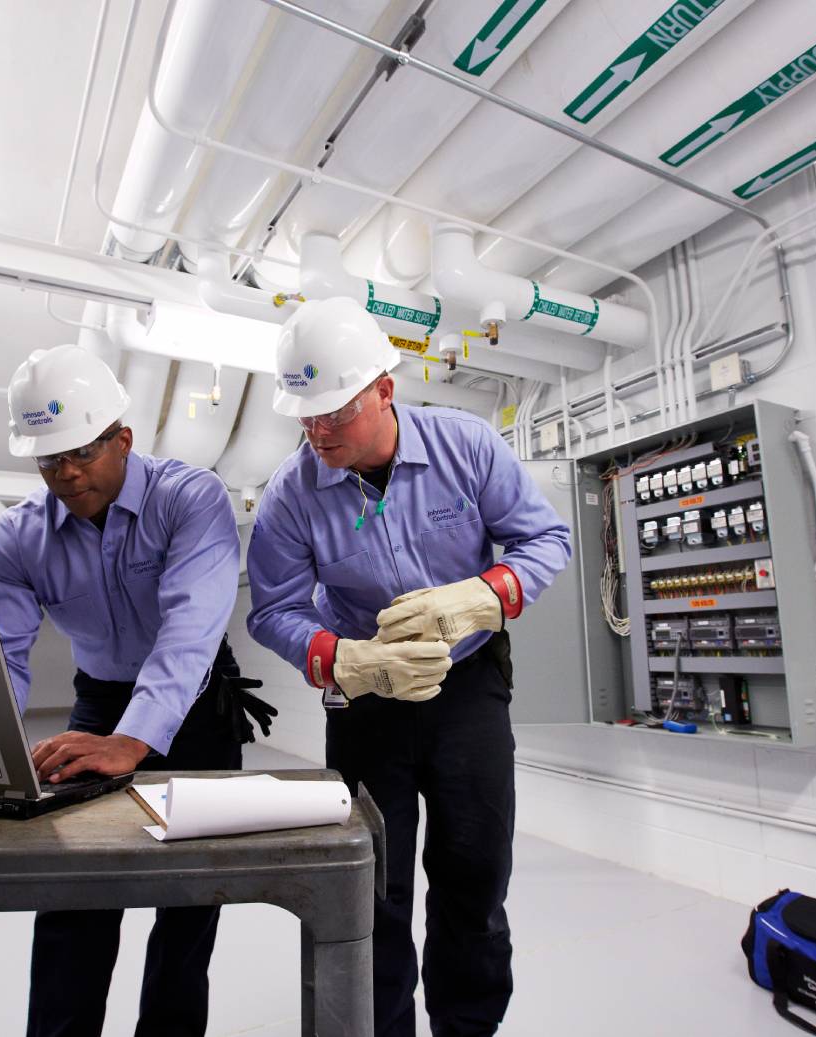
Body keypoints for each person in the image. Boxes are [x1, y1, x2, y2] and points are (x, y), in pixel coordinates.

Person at [245, 297, 571, 1036]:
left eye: (335, 410)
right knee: (371, 886)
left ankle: (467, 1025)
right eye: (306, 414)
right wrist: (342, 658)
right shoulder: (290, 499)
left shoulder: (467, 446)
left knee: (474, 873)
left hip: (468, 689)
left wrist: (482, 597)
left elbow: (545, 539)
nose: (318, 430)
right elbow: (273, 611)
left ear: (385, 390)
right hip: (367, 703)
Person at [0, 344, 272, 1037]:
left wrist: (133, 740)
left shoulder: (189, 499)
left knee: (189, 900)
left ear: (122, 438)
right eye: (48, 458)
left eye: (81, 450)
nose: (66, 471)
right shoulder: (15, 539)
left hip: (198, 705)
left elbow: (190, 629)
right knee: (75, 893)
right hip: (98, 705)